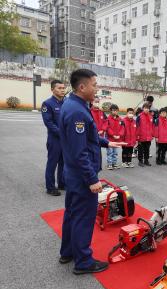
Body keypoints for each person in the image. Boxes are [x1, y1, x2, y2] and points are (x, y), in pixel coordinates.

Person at [58, 69, 125, 274]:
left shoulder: (73, 105)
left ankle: (68, 251)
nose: (97, 89)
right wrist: (92, 178)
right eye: (94, 85)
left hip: (73, 173)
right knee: (83, 218)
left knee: (72, 214)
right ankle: (83, 261)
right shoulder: (78, 111)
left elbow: (86, 138)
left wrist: (106, 142)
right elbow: (80, 152)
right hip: (81, 177)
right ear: (82, 87)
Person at [41, 79, 66, 196]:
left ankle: (62, 183)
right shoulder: (47, 104)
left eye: (63, 88)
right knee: (52, 163)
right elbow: (49, 123)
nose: (62, 90)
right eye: (59, 88)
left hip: (65, 140)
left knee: (63, 163)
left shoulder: (66, 103)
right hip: (55, 139)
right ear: (52, 89)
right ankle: (50, 187)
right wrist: (62, 133)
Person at [106, 104, 125, 170]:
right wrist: (113, 135)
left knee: (115, 152)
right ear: (111, 111)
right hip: (110, 139)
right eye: (113, 110)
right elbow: (107, 128)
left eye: (116, 110)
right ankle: (109, 164)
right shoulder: (108, 119)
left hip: (117, 139)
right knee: (110, 152)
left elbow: (122, 128)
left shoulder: (120, 119)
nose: (115, 112)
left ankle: (114, 163)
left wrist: (119, 135)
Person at [136, 103, 154, 167]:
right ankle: (140, 161)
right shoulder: (139, 116)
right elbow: (137, 126)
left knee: (147, 149)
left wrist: (152, 135)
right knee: (140, 149)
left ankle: (146, 160)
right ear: (143, 108)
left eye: (148, 108)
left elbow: (152, 126)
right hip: (141, 136)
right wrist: (137, 135)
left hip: (149, 136)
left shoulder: (151, 116)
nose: (146, 109)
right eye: (145, 108)